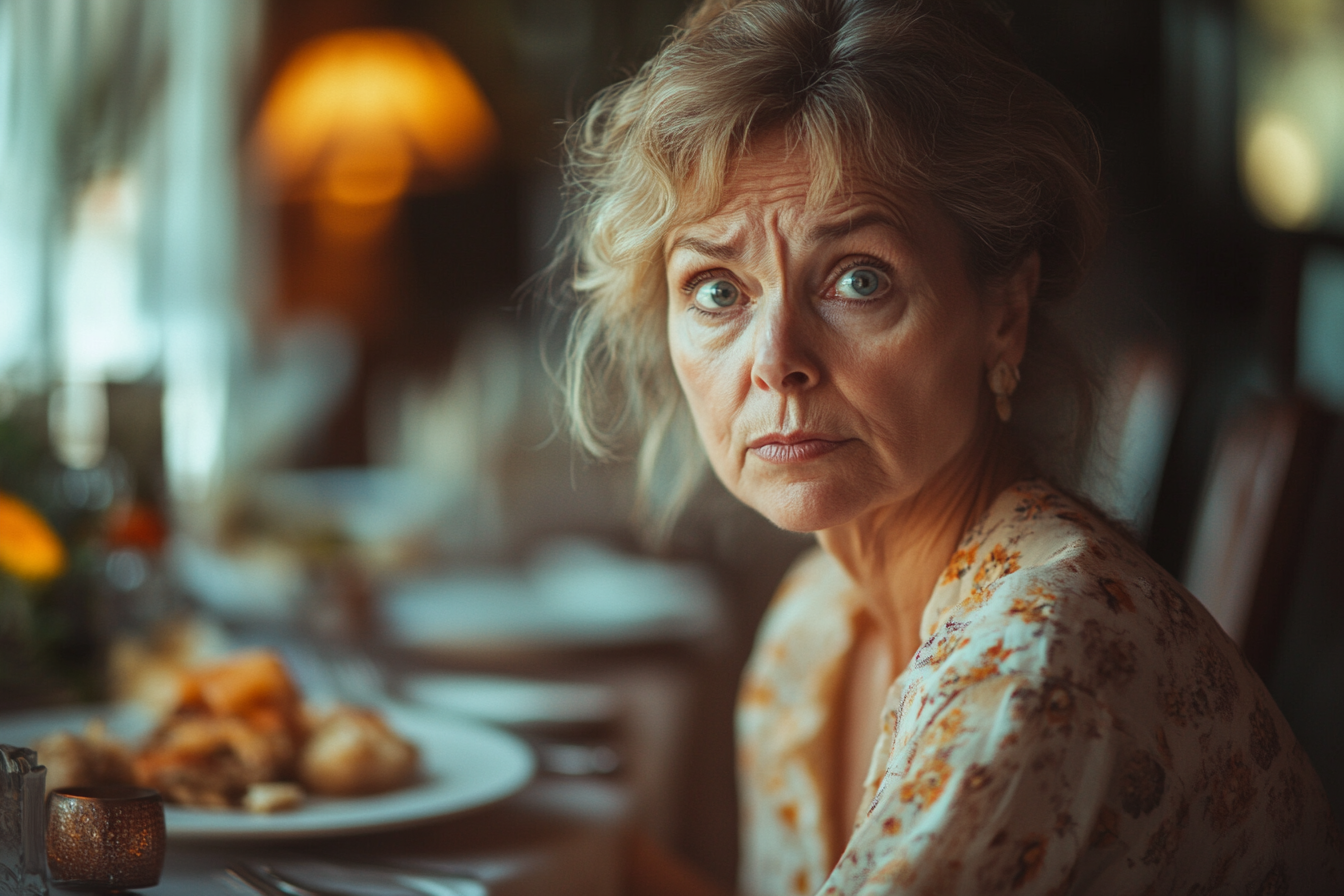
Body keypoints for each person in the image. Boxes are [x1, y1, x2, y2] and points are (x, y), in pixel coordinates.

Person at [555, 0, 1343, 892]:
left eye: (858, 279)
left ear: (1002, 315)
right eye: (715, 290)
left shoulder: (1038, 664)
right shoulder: (811, 628)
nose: (776, 362)